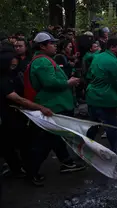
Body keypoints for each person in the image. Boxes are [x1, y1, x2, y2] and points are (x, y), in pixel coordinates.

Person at [26, 32, 85, 186]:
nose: (54, 45)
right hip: (52, 107)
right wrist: (68, 83)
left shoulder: (44, 60)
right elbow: (50, 83)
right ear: (42, 46)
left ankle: (66, 161)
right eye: (51, 43)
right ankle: (32, 171)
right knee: (46, 141)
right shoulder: (43, 62)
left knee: (55, 137)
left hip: (54, 105)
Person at [0, 48, 53, 180]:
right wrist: (40, 107)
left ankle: (18, 168)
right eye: (11, 64)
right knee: (21, 145)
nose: (14, 65)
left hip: (14, 115)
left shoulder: (12, 76)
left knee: (11, 145)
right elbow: (18, 99)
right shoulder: (3, 80)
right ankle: (27, 171)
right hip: (8, 117)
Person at [86, 36, 117, 160]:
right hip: (104, 99)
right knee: (113, 126)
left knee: (93, 125)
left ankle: (85, 147)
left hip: (92, 96)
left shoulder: (97, 57)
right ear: (113, 47)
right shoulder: (115, 62)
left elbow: (89, 74)